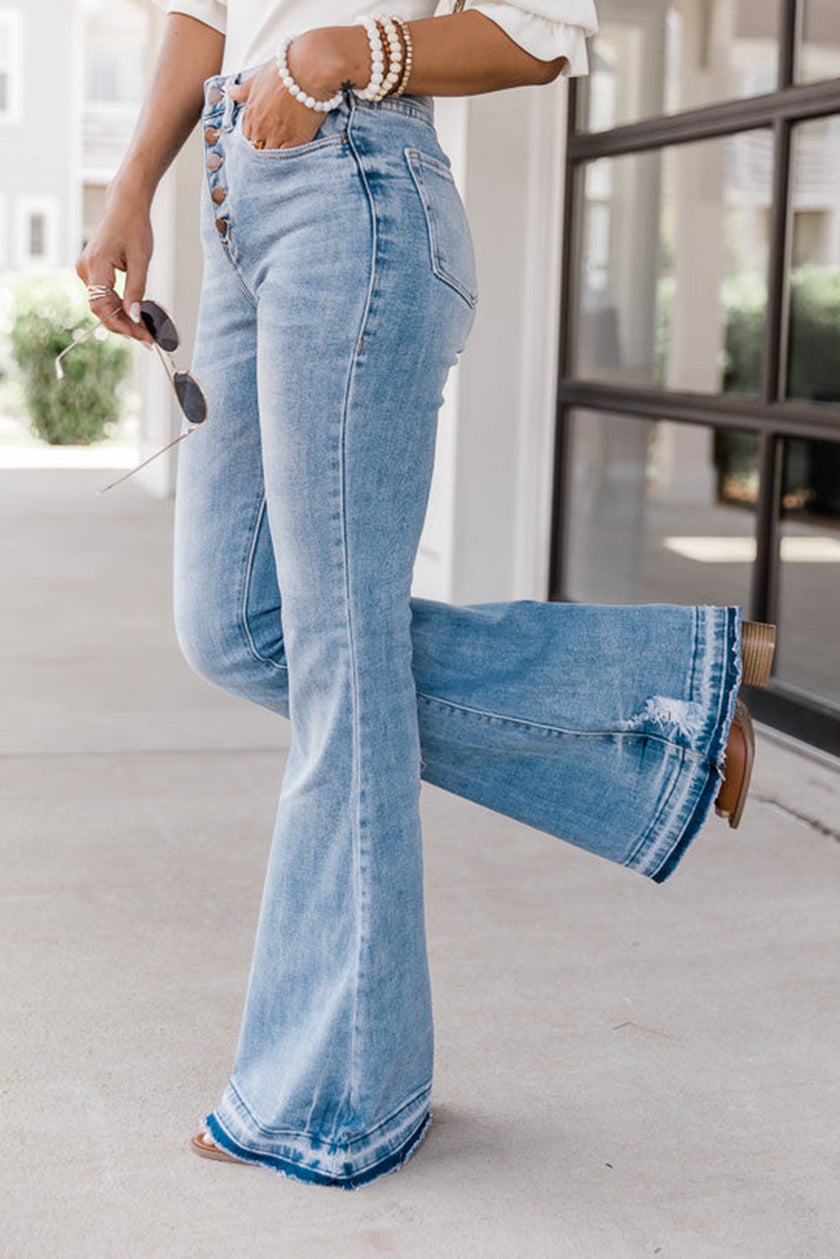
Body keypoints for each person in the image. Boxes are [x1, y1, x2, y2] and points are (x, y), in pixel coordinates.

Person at [77, 0, 776, 1189]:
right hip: (232, 197)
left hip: (357, 187)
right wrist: (130, 186)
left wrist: (338, 54)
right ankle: (669, 690)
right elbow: (201, 14)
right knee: (235, 625)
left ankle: (342, 1093)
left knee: (342, 653)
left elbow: (542, 31)